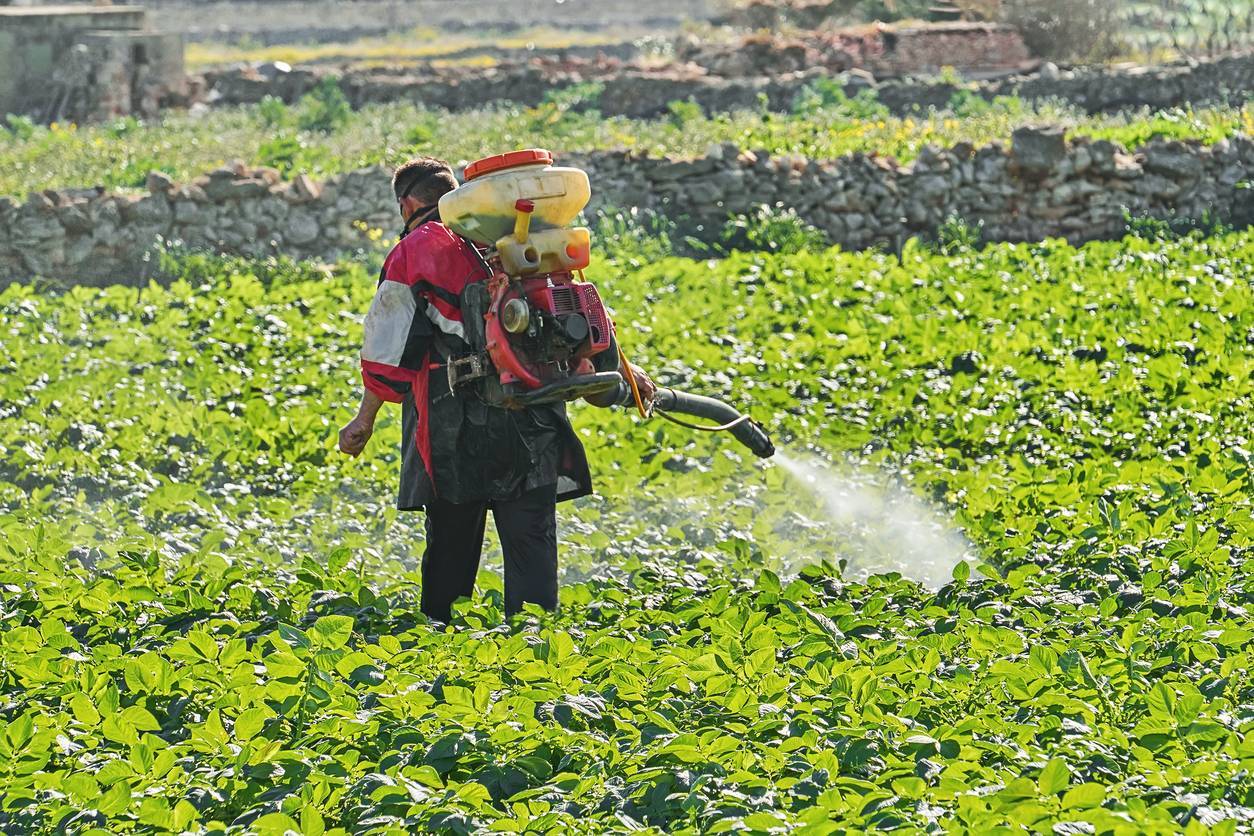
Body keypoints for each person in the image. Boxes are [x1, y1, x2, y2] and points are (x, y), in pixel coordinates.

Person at [338, 156, 654, 622]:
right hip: (534, 413)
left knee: (452, 544)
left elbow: (387, 351)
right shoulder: (520, 238)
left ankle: (439, 645)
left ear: (407, 203)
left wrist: (364, 419)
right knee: (531, 545)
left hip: (454, 428)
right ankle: (532, 655)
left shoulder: (417, 250)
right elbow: (579, 309)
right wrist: (623, 373)